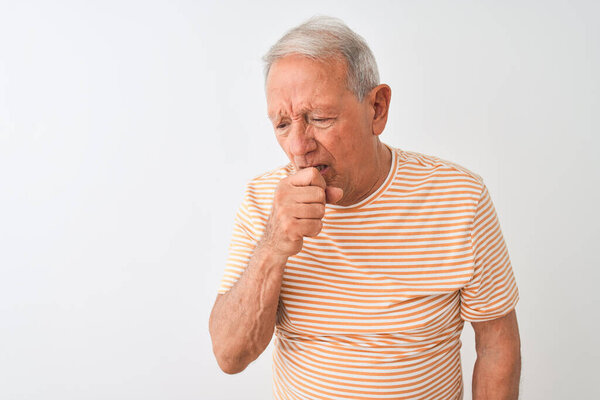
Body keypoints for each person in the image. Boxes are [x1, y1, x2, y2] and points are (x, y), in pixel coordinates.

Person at [209, 16, 521, 400]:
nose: (298, 146)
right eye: (282, 124)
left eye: (319, 118)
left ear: (376, 108)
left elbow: (496, 344)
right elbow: (230, 356)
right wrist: (274, 245)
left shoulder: (458, 197)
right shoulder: (264, 200)